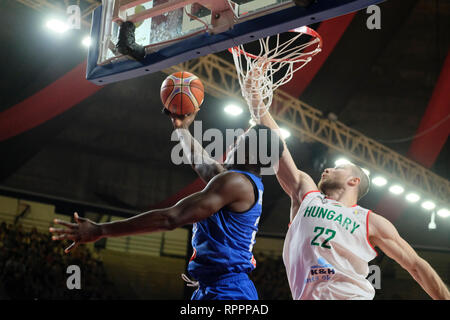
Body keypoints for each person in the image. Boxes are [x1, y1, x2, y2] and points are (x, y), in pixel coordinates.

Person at [246, 68, 450, 300]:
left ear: (354, 181)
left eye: (338, 167)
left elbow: (415, 265)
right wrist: (256, 101)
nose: (328, 169)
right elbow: (277, 145)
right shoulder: (306, 193)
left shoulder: (371, 221)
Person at [50, 110, 284, 300]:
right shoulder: (240, 182)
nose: (233, 142)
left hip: (228, 292)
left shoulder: (234, 182)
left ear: (251, 152)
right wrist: (181, 128)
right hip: (216, 288)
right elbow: (200, 162)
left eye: (240, 139)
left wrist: (101, 230)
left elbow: (172, 217)